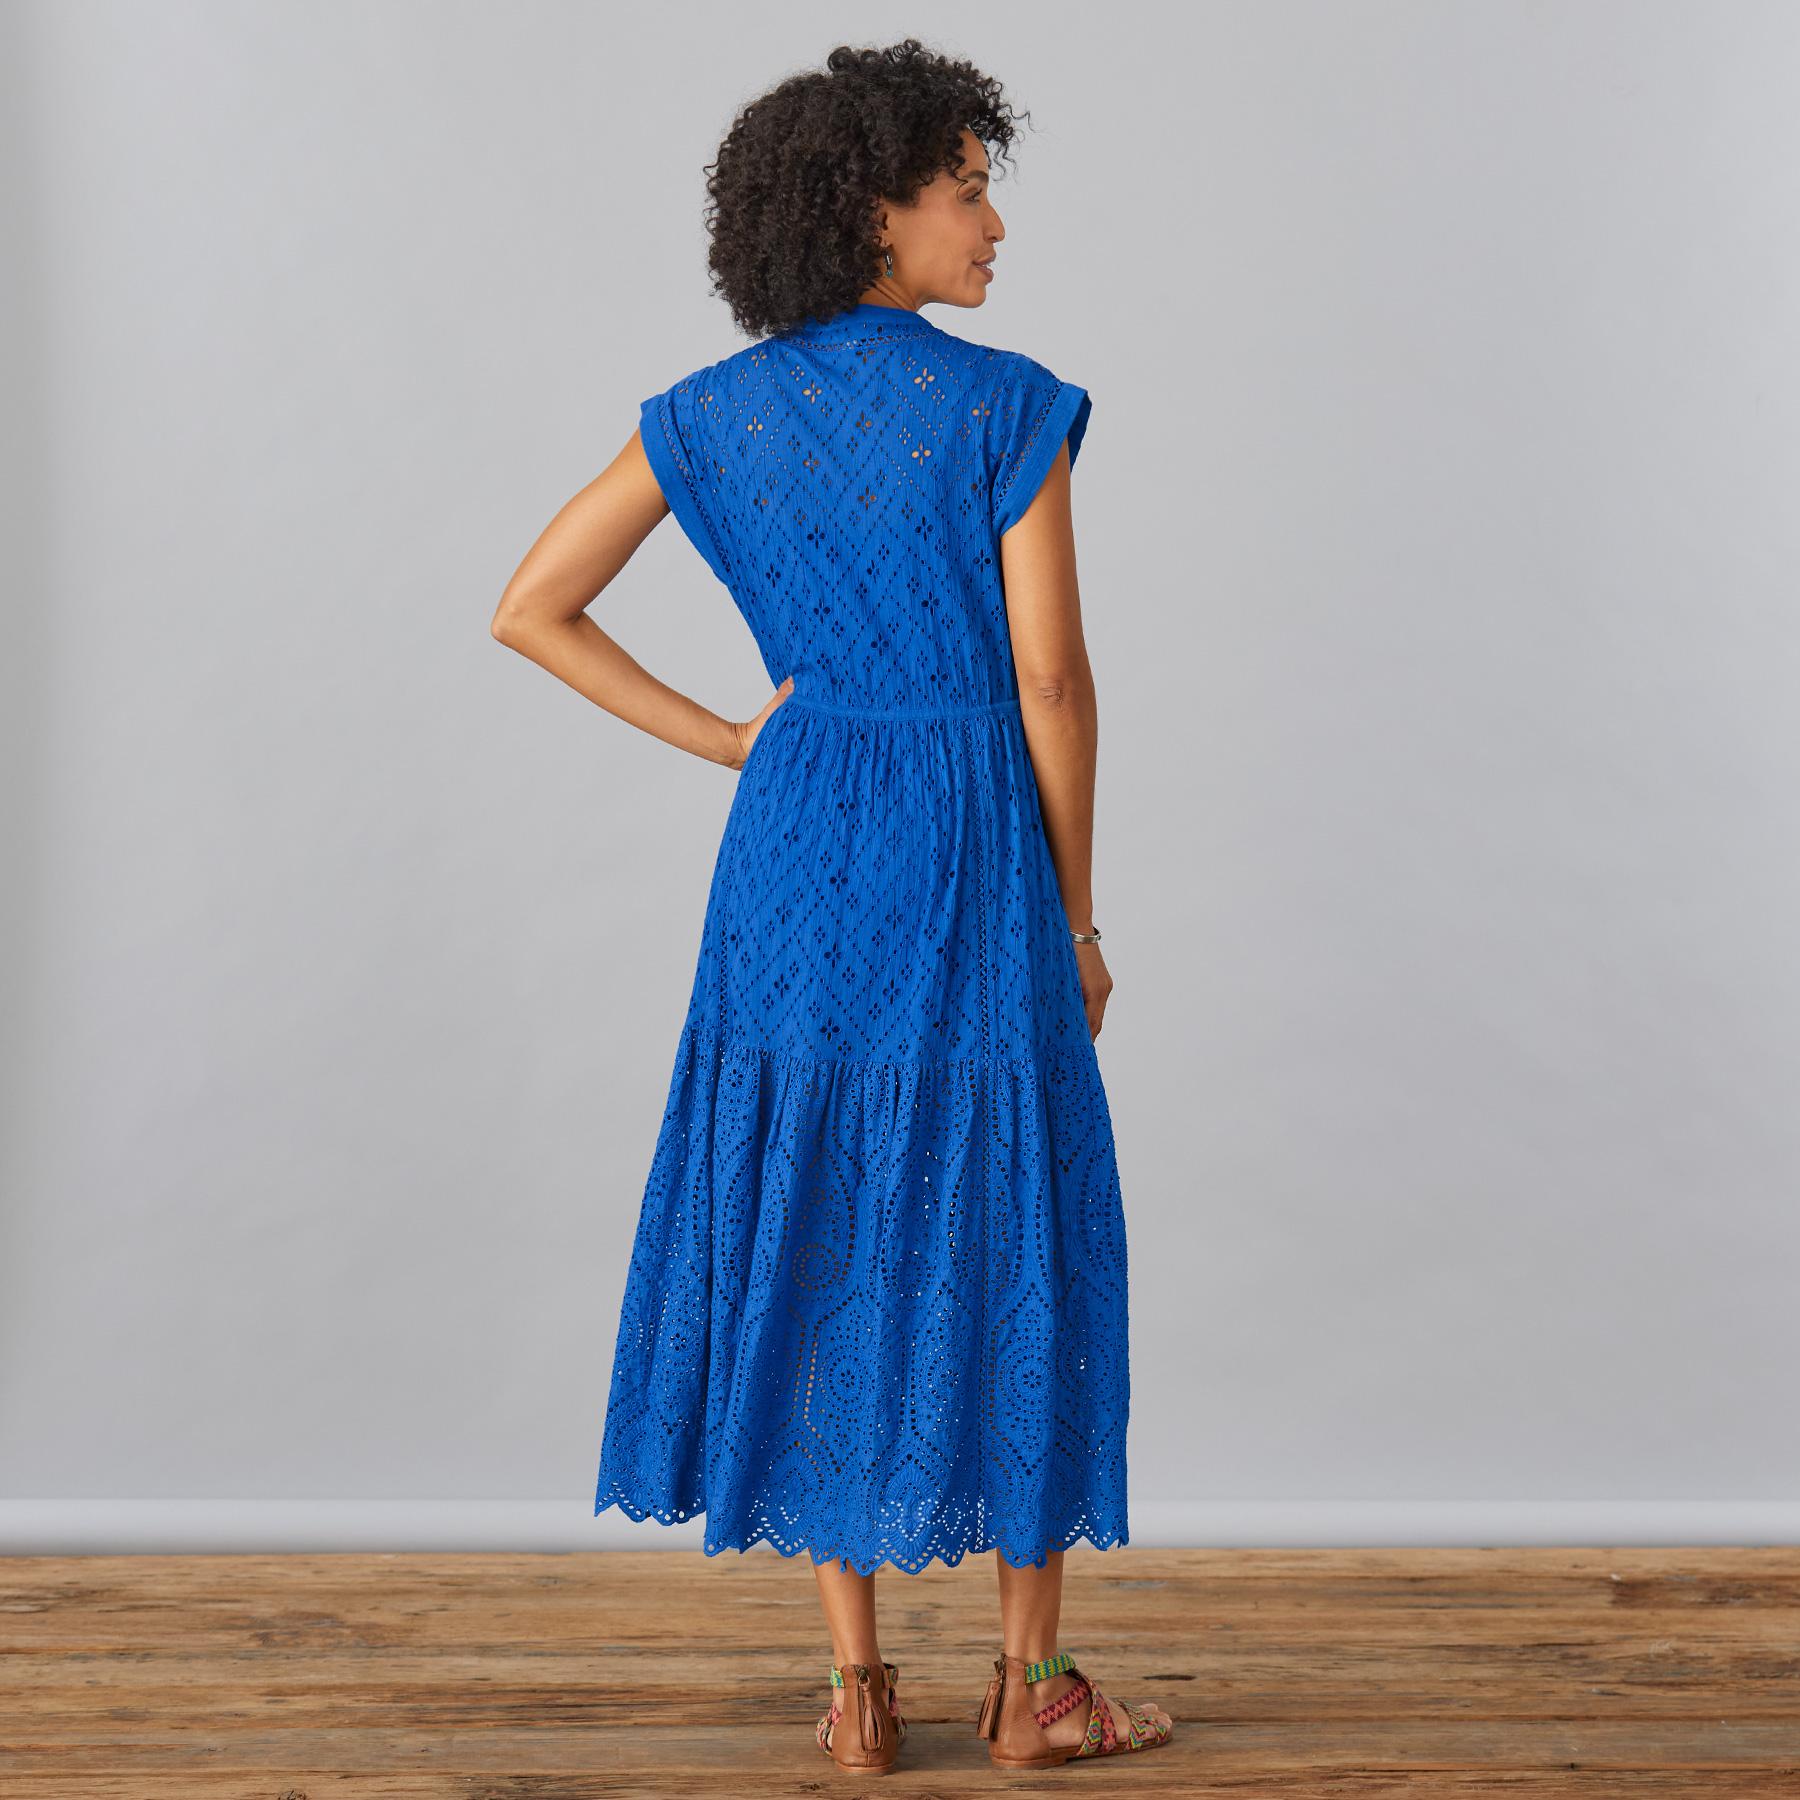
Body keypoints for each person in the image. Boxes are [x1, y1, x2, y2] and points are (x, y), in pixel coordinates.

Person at [492, 37, 1172, 1776]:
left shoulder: (710, 416)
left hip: (795, 846)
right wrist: (1077, 920)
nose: (995, 223)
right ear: (875, 209)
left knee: (812, 1203)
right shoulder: (1005, 406)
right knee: (1007, 1213)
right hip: (970, 844)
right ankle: (1032, 1690)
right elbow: (1051, 680)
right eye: (967, 189)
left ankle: (861, 1689)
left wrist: (737, 738)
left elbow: (531, 606)